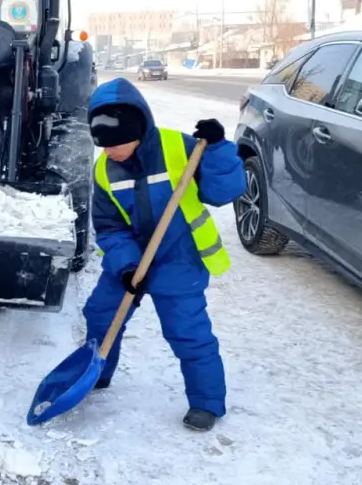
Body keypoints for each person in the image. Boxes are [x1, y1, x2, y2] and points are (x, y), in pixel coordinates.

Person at [84, 76, 245, 432]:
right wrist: (127, 267)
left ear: (139, 129)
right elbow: (109, 227)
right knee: (101, 314)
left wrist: (218, 148)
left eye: (117, 143)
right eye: (103, 144)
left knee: (188, 332)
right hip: (132, 258)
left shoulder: (180, 148)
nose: (110, 151)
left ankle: (206, 402)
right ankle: (96, 373)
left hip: (179, 259)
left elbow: (225, 191)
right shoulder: (104, 170)